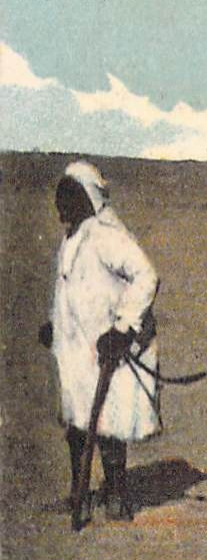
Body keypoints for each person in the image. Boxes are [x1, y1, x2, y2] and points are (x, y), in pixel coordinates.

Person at [39, 162, 160, 526]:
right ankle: (80, 494)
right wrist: (54, 325)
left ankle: (118, 495)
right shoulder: (71, 238)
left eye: (68, 198)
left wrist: (123, 329)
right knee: (77, 424)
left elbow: (146, 275)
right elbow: (70, 287)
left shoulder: (105, 235)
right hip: (77, 350)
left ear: (86, 199)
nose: (61, 206)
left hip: (109, 349)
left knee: (107, 424)